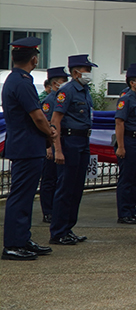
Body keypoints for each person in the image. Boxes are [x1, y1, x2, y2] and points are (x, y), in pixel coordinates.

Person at [2, 37, 57, 260]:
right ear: (34, 59)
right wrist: (50, 132)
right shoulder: (23, 82)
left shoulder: (14, 80)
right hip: (28, 146)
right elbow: (37, 116)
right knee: (21, 197)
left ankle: (22, 238)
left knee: (24, 196)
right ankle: (14, 244)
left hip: (25, 145)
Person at [49, 53, 98, 245]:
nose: (89, 74)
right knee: (65, 188)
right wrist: (58, 150)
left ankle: (68, 228)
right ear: (76, 72)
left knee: (76, 189)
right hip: (69, 142)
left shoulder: (84, 90)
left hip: (82, 142)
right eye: (87, 70)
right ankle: (58, 231)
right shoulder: (66, 90)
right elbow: (55, 121)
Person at [113, 63, 136, 225]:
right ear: (133, 82)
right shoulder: (126, 99)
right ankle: (124, 212)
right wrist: (121, 146)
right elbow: (119, 123)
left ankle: (133, 210)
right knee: (127, 179)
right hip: (128, 140)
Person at [37, 66, 67, 223]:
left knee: (58, 180)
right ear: (55, 83)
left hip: (60, 144)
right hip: (51, 146)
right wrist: (49, 147)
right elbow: (47, 125)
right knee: (49, 180)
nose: (65, 84)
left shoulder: (64, 97)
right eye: (63, 81)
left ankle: (56, 210)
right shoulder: (49, 101)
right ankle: (47, 211)